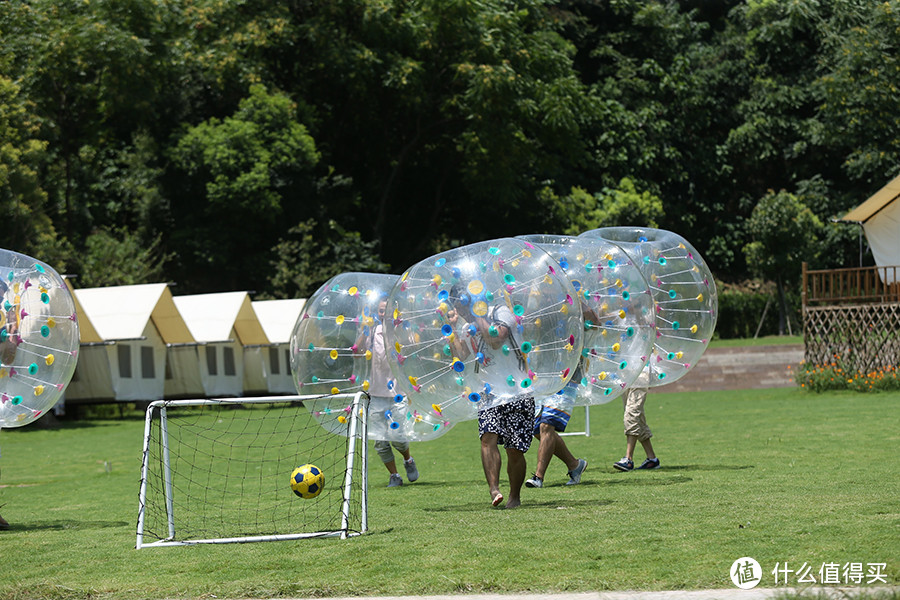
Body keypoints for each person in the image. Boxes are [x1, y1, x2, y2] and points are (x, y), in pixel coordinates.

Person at [448, 287, 534, 509]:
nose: (460, 311)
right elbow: (460, 356)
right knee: (488, 438)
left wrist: (477, 314)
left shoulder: (501, 312)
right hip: (488, 391)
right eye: (457, 307)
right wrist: (453, 331)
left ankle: (515, 496)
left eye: (462, 306)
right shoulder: (468, 326)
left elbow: (497, 339)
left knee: (514, 449)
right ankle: (494, 489)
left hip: (517, 389)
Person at [357, 298, 419, 487]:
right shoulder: (373, 332)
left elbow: (415, 348)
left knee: (398, 435)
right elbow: (357, 350)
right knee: (379, 441)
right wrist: (363, 329)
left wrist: (405, 327)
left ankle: (408, 459)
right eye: (381, 311)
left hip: (397, 394)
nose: (384, 314)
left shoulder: (401, 332)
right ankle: (394, 476)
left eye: (387, 310)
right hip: (376, 394)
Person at [525, 382, 588, 488]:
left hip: (564, 386)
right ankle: (574, 465)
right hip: (541, 385)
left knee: (546, 426)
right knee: (536, 429)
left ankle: (538, 477)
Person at [613, 366, 660, 471]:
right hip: (625, 371)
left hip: (642, 372)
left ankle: (628, 459)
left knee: (631, 414)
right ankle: (652, 459)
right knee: (637, 417)